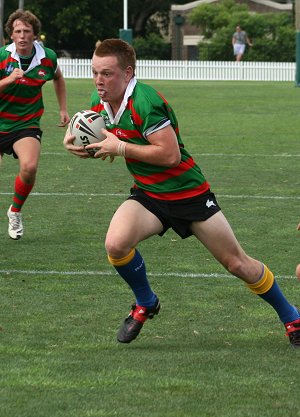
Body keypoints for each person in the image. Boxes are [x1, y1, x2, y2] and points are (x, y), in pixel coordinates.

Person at [63, 38, 300, 347]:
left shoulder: (146, 102)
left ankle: (291, 317)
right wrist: (72, 143)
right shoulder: (103, 102)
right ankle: (146, 302)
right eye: (94, 72)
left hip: (188, 194)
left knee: (237, 263)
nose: (98, 80)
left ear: (128, 73)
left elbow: (169, 155)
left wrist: (119, 147)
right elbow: (83, 130)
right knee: (116, 244)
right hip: (149, 196)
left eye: (106, 73)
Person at [0, 9, 70, 239]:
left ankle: (15, 211)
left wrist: (62, 109)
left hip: (26, 123)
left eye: (26, 31)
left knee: (29, 168)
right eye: (17, 31)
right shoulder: (2, 57)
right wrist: (9, 80)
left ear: (35, 35)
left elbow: (58, 78)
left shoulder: (47, 57)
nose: (22, 35)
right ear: (11, 35)